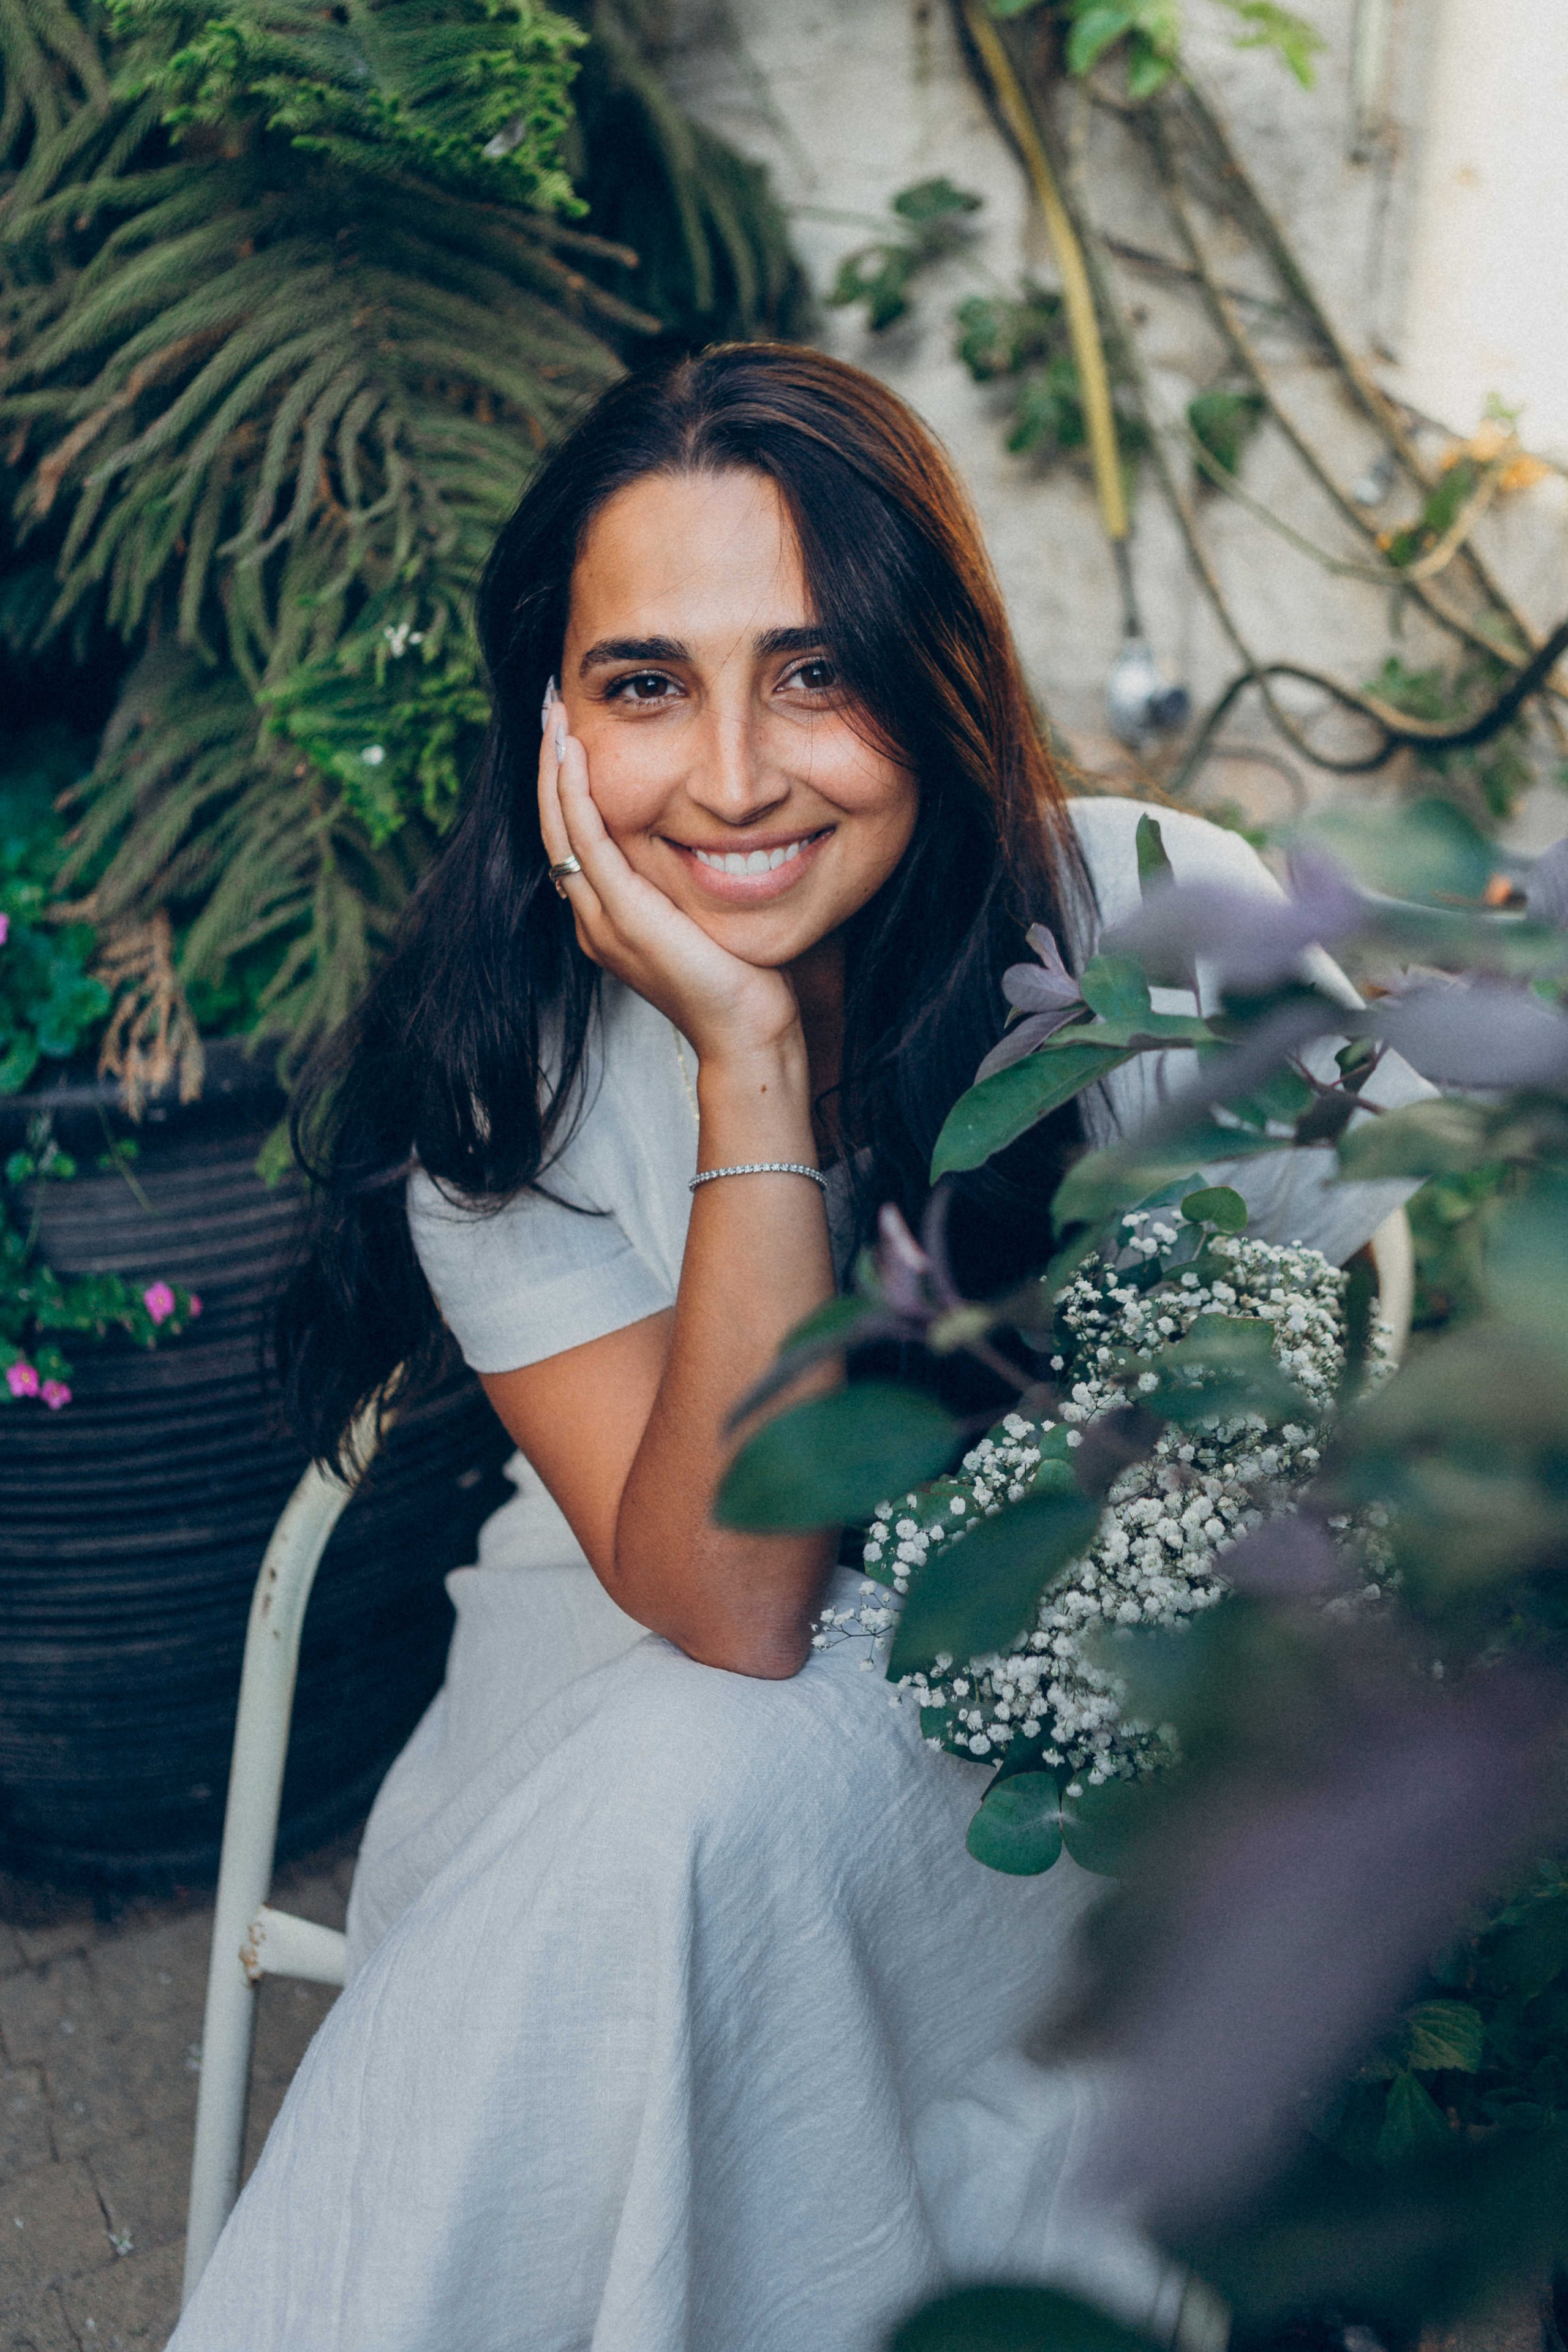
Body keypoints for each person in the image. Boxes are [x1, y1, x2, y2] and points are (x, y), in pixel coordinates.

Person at [171, 345, 1420, 2352]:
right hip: (627, 1674)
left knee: (693, 1826)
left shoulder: (1156, 913)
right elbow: (734, 1606)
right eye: (645, 683)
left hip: (1063, 1705)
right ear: (549, 725)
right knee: (681, 1793)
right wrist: (750, 1069)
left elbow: (1357, 1368)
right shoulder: (506, 1086)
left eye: (818, 671)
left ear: (941, 678)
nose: (736, 775)